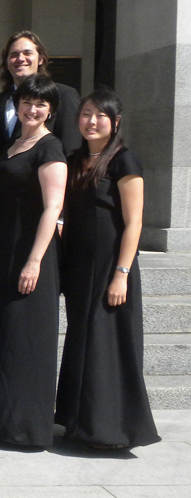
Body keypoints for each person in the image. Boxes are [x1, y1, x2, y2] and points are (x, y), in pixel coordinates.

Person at [56, 90, 160, 449]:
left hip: (111, 269)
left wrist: (122, 273)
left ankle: (111, 430)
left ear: (115, 123)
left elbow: (134, 223)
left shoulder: (124, 161)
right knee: (82, 342)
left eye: (100, 115)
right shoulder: (74, 160)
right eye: (86, 114)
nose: (91, 121)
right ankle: (79, 422)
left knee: (108, 347)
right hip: (80, 267)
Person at [0, 74, 68, 448]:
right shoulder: (15, 143)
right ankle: (5, 423)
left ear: (50, 109)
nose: (32, 109)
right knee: (8, 339)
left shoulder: (50, 147)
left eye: (40, 104)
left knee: (28, 341)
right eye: (26, 102)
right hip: (5, 248)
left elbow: (53, 208)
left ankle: (29, 429)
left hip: (33, 253)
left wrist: (34, 261)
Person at [0, 31, 82, 157]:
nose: (20, 59)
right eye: (14, 54)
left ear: (40, 59)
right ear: (6, 63)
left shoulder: (64, 95)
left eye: (27, 53)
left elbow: (72, 148)